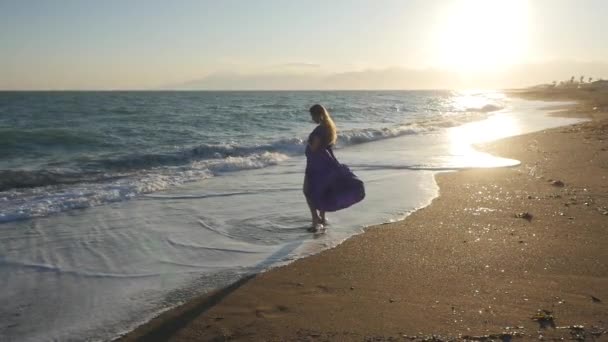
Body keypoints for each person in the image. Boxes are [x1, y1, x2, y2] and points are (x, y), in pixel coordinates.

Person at [303, 104, 337, 232]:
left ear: (319, 115)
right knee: (321, 191)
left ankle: (315, 220)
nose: (312, 119)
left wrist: (307, 142)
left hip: (315, 165)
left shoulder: (319, 130)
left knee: (307, 191)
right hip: (325, 163)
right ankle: (322, 217)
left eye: (313, 116)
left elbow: (314, 148)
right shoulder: (330, 128)